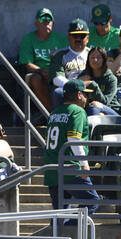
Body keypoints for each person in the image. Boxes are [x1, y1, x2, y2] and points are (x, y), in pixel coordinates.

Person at [42, 79, 98, 211]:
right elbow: (73, 138)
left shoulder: (54, 113)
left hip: (52, 167)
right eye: (85, 94)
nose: (87, 98)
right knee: (92, 202)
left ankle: (64, 230)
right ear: (79, 95)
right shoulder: (77, 111)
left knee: (59, 214)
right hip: (71, 167)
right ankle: (74, 229)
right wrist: (84, 163)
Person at [20, 8, 65, 109]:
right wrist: (40, 70)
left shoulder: (61, 39)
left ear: (52, 24)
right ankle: (51, 113)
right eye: (42, 20)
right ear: (36, 23)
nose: (46, 23)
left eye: (49, 20)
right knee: (36, 79)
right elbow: (27, 63)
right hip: (39, 72)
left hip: (58, 72)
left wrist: (54, 72)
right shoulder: (28, 39)